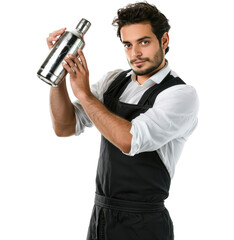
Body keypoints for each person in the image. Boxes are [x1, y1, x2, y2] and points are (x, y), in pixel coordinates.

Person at [46, 2, 199, 240]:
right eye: (128, 44)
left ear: (164, 40)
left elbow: (129, 140)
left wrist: (85, 95)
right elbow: (64, 127)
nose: (135, 53)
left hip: (144, 224)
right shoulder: (113, 81)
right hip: (101, 217)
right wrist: (59, 73)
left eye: (144, 42)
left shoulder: (180, 95)